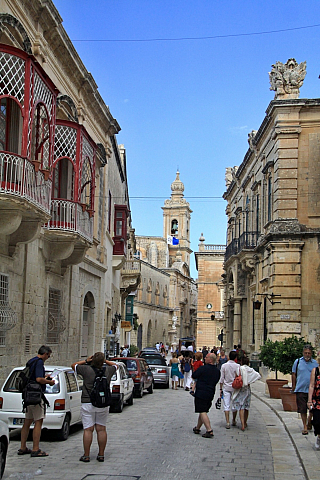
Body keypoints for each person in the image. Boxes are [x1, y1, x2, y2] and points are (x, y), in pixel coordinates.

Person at [71, 352, 118, 462]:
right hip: (103, 403)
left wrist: (87, 361)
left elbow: (74, 365)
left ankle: (86, 455)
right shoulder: (108, 371)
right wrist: (105, 361)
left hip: (88, 402)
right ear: (102, 362)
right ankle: (101, 454)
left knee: (88, 429)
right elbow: (116, 365)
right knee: (101, 429)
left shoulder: (86, 370)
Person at [18, 345, 55, 457]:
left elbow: (33, 377)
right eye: (48, 355)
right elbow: (38, 380)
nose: (48, 357)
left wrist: (45, 376)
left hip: (28, 395)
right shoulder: (39, 362)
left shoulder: (31, 361)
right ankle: (36, 449)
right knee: (38, 421)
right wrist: (49, 382)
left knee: (27, 421)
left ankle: (22, 447)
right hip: (36, 396)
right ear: (45, 353)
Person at [192, 353, 220, 438]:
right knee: (203, 410)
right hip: (210, 392)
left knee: (202, 411)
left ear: (210, 360)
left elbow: (194, 375)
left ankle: (209, 430)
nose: (204, 358)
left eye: (206, 357)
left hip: (201, 392)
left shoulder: (203, 369)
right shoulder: (217, 371)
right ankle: (197, 428)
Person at [292, 345, 318, 435]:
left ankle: (309, 420)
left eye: (309, 353)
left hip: (313, 390)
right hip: (301, 389)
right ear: (303, 353)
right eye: (305, 353)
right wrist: (294, 386)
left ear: (311, 354)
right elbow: (294, 374)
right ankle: (305, 426)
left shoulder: (315, 363)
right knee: (302, 409)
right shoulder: (298, 362)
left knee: (312, 409)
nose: (307, 355)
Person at [232, 356, 261, 430]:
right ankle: (245, 422)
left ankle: (242, 424)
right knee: (246, 407)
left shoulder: (239, 369)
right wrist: (249, 381)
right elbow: (258, 375)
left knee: (241, 407)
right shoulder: (250, 370)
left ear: (241, 362)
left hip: (240, 389)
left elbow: (236, 377)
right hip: (247, 389)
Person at [220, 350, 239, 429]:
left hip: (226, 387)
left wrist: (220, 389)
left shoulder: (224, 366)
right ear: (235, 358)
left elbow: (222, 378)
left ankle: (227, 422)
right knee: (234, 404)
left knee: (226, 405)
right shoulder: (238, 366)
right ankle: (233, 420)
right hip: (235, 387)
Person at [308, 352, 320, 449]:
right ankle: (319, 436)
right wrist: (309, 400)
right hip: (317, 400)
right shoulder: (315, 371)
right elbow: (312, 385)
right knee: (317, 421)